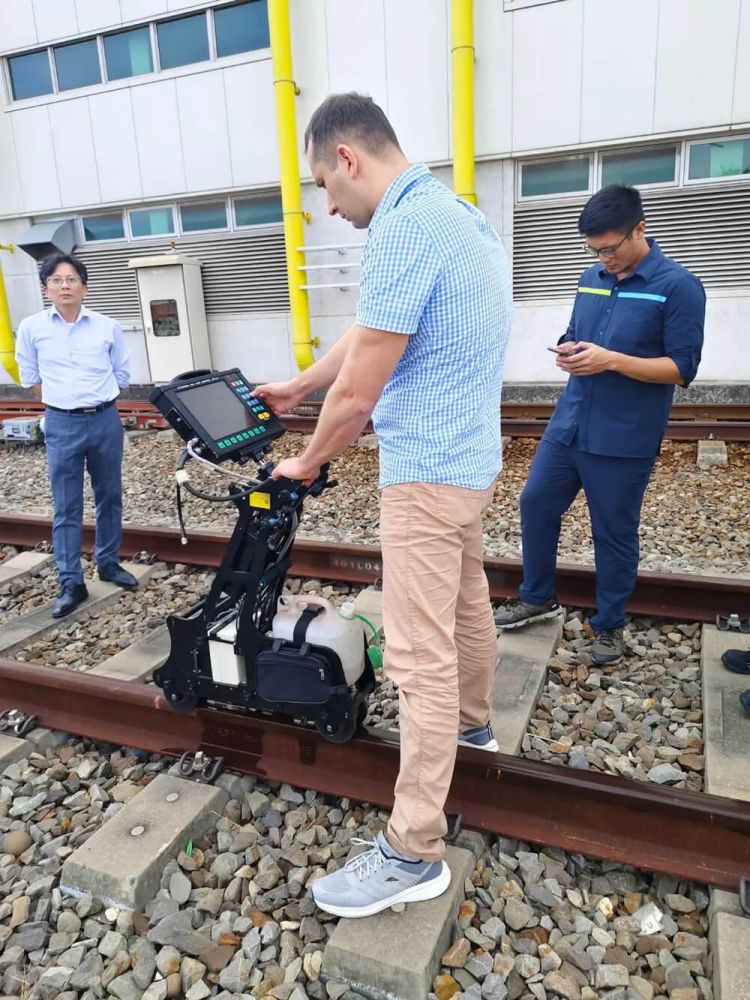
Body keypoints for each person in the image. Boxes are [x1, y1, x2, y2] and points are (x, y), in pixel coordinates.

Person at [253, 92, 511, 918]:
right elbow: (373, 334)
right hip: (470, 464)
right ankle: (472, 728)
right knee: (468, 607)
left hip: (426, 473)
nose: (328, 205)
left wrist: (306, 459)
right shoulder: (457, 214)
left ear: (348, 158)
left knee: (417, 657)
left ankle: (413, 847)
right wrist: (297, 385)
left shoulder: (402, 226)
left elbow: (362, 392)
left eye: (324, 184)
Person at [495, 185, 705, 664]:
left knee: (612, 531)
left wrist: (611, 360)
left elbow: (681, 368)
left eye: (610, 248)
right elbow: (576, 334)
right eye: (594, 250)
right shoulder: (591, 276)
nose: (603, 258)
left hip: (624, 435)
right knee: (536, 503)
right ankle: (537, 597)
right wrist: (570, 350)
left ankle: (609, 625)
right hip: (570, 422)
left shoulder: (678, 286)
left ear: (641, 230)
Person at [15, 253, 137, 618]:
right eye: (56, 280)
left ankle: (108, 563)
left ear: (85, 286)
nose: (64, 286)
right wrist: (64, 404)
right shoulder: (32, 327)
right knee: (66, 505)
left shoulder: (106, 326)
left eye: (71, 280)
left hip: (104, 420)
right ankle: (71, 581)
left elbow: (122, 372)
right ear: (45, 288)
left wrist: (95, 402)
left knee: (109, 495)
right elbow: (31, 378)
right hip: (61, 422)